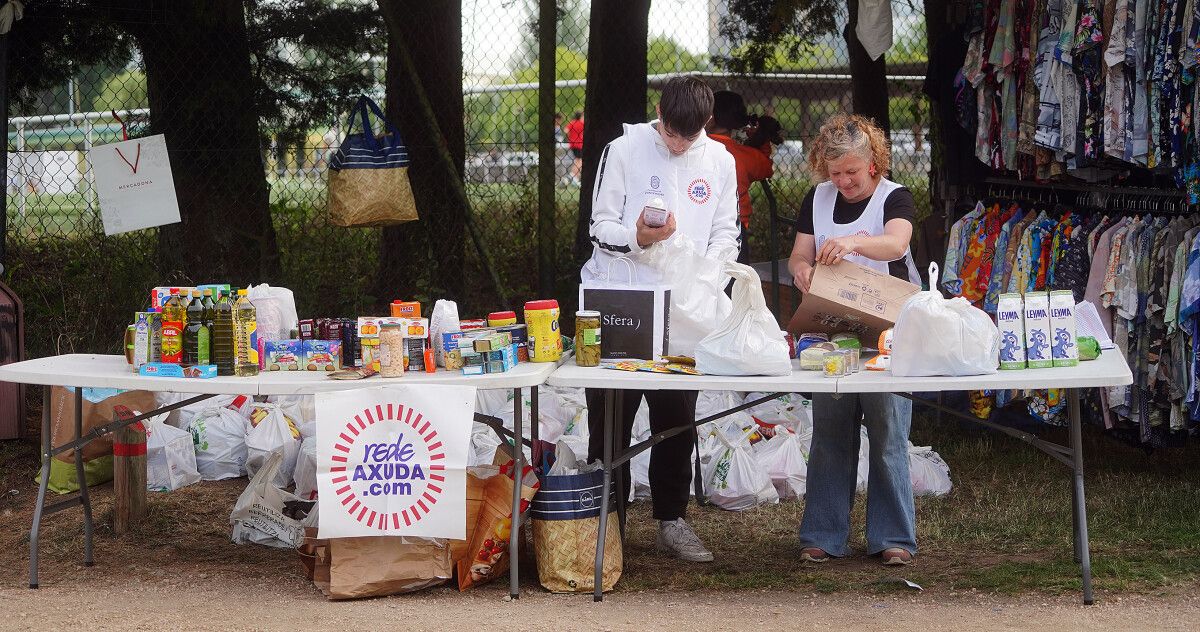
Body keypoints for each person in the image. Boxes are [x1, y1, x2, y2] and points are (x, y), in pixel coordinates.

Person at [581, 76, 740, 563]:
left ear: (705, 125)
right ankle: (607, 526)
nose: (676, 143)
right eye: (670, 132)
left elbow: (725, 231)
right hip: (622, 298)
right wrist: (640, 238)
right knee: (610, 418)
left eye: (687, 137)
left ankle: (672, 520)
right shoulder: (624, 149)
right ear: (659, 111)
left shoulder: (721, 160)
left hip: (685, 306)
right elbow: (599, 227)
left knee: (677, 420)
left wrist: (711, 278)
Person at [787, 113, 921, 567]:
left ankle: (893, 537)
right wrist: (802, 270)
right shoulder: (819, 197)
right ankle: (823, 533)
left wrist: (854, 242)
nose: (842, 181)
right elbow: (800, 255)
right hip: (833, 330)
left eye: (851, 172)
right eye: (834, 172)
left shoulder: (894, 197)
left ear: (873, 165)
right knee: (830, 432)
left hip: (888, 332)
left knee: (888, 433)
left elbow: (896, 244)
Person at [705, 91, 777, 264]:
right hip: (735, 230)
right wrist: (760, 142)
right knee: (734, 284)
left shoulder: (692, 150)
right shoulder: (744, 156)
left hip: (699, 224)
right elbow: (766, 168)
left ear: (710, 117)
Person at [566, 111, 585, 185]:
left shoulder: (572, 122)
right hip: (579, 144)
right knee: (579, 161)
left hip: (572, 144)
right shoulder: (582, 123)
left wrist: (570, 137)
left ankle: (574, 177)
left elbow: (566, 130)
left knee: (577, 160)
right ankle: (573, 176)